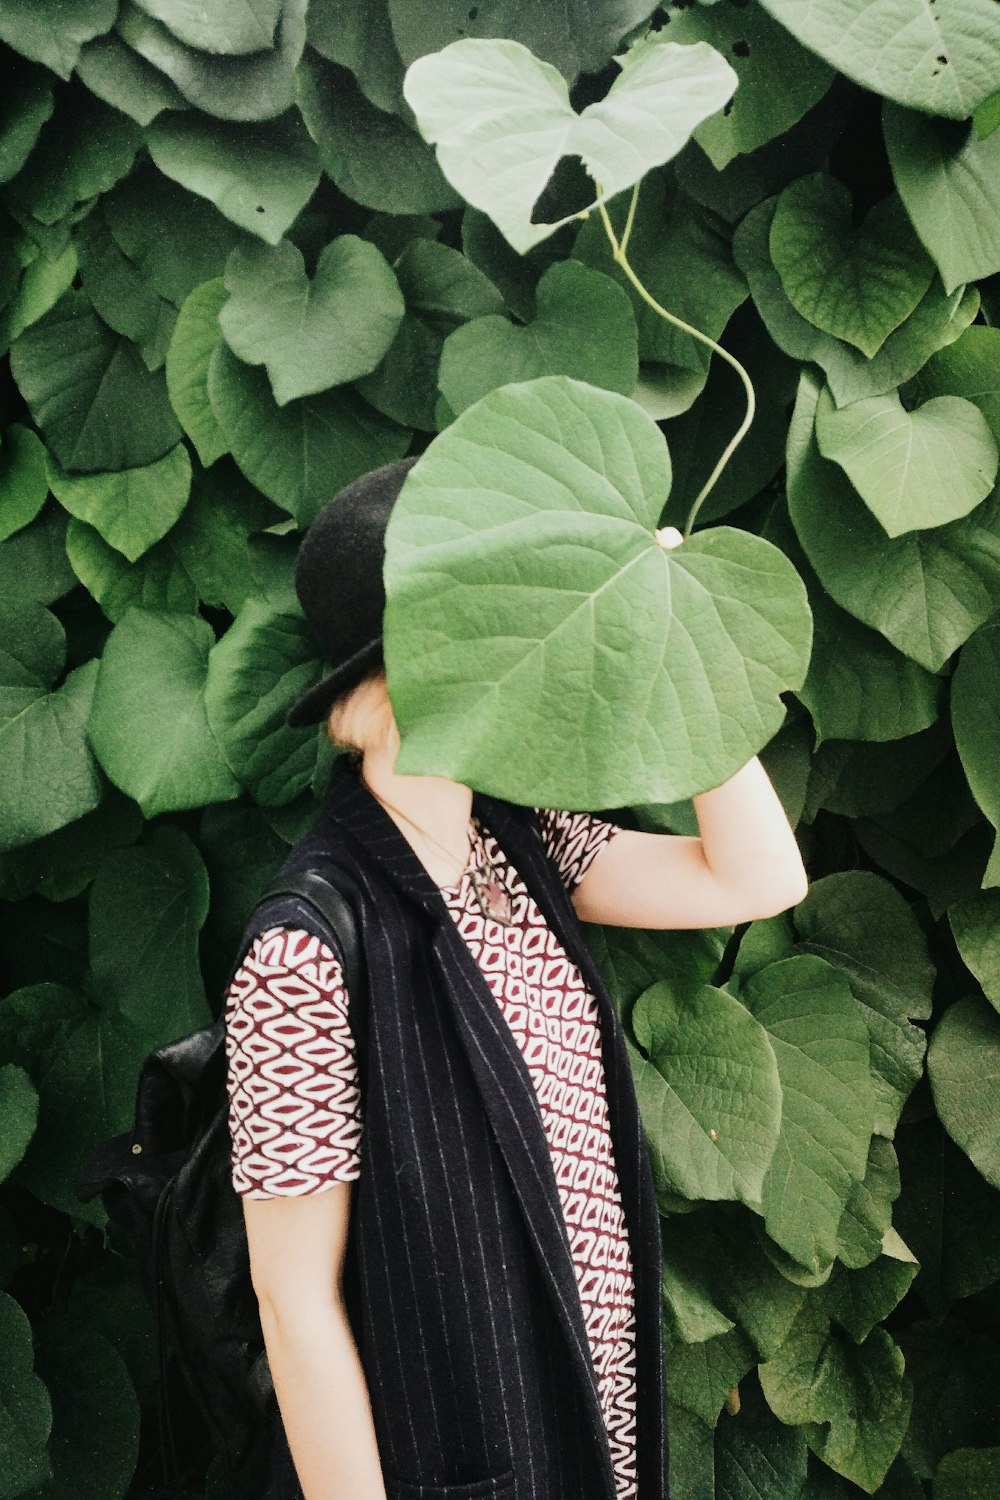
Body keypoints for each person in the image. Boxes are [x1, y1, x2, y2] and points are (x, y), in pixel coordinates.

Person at [223, 457, 809, 1500]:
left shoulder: (524, 847)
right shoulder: (307, 948)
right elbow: (291, 1299)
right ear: (427, 665)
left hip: (591, 1430)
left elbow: (757, 874)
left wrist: (679, 634)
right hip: (457, 1458)